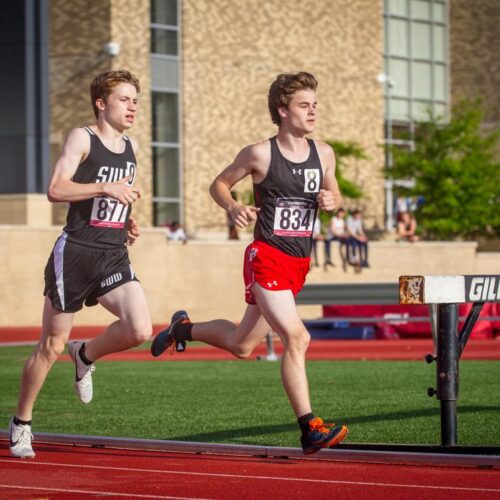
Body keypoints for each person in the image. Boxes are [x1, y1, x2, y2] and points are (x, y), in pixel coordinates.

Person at [151, 71, 348, 454]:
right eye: (304, 105)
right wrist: (234, 206)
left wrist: (332, 201)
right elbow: (219, 184)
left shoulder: (324, 152)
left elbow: (334, 190)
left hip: (298, 262)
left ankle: (183, 329)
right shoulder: (260, 153)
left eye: (315, 105)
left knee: (241, 344)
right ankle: (311, 428)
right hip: (267, 258)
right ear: (282, 110)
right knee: (297, 337)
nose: (313, 112)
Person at [8, 70, 152, 459]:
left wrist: (126, 219)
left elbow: (113, 198)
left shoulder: (131, 146)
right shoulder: (82, 137)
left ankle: (86, 354)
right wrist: (106, 187)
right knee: (50, 345)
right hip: (74, 253)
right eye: (124, 99)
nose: (133, 105)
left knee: (139, 328)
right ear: (101, 104)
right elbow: (56, 189)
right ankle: (21, 422)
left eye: (135, 99)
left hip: (112, 253)